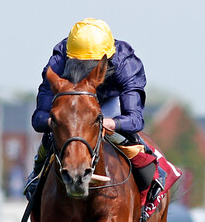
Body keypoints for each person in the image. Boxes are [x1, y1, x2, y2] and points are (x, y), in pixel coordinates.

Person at [25, 18, 164, 208]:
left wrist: (111, 123)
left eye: (91, 67)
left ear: (105, 60)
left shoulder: (126, 63)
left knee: (128, 139)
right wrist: (57, 122)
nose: (84, 72)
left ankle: (153, 181)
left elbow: (135, 119)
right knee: (54, 135)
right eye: (79, 65)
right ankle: (36, 176)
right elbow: (39, 117)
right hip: (73, 105)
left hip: (111, 105)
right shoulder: (58, 61)